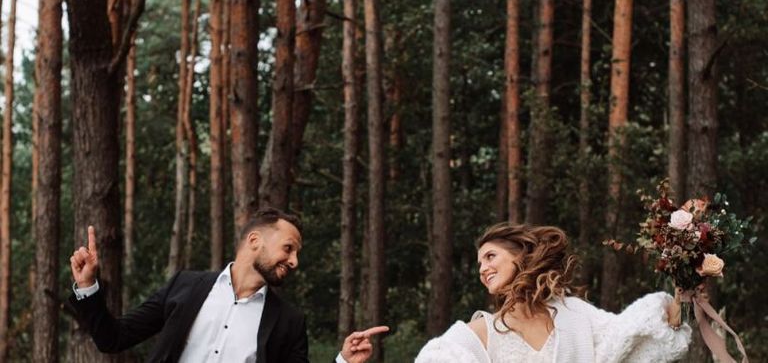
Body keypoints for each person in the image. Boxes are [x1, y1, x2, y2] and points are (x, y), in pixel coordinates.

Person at [69, 207, 387, 363]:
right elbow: (113, 338)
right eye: (288, 249)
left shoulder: (289, 323)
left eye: (296, 254)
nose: (294, 262)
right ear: (254, 240)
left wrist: (344, 361)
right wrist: (87, 287)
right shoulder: (186, 286)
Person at [415, 223, 691, 363]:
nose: (482, 269)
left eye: (490, 257)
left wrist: (683, 290)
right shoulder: (479, 333)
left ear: (520, 256)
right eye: (479, 263)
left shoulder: (573, 314)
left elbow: (628, 338)